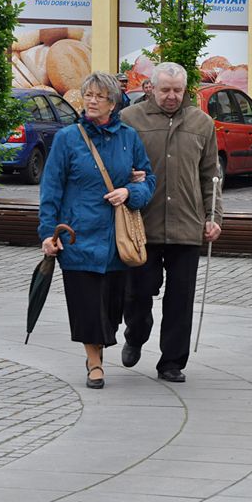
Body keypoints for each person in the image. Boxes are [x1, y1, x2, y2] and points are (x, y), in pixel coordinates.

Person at [38, 72, 155, 389]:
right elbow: (51, 190)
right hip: (77, 236)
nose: (91, 100)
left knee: (110, 310)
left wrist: (131, 193)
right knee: (87, 305)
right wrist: (48, 234)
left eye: (99, 96)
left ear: (113, 103)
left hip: (118, 240)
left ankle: (99, 347)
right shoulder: (68, 139)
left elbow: (149, 182)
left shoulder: (129, 138)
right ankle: (94, 363)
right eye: (88, 94)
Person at [120, 62, 223, 383]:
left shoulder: (202, 123)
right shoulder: (129, 120)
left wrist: (213, 216)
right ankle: (136, 333)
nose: (171, 96)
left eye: (177, 90)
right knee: (137, 292)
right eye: (165, 90)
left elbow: (212, 176)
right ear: (151, 88)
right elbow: (116, 166)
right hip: (142, 225)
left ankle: (172, 362)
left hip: (187, 226)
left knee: (181, 299)